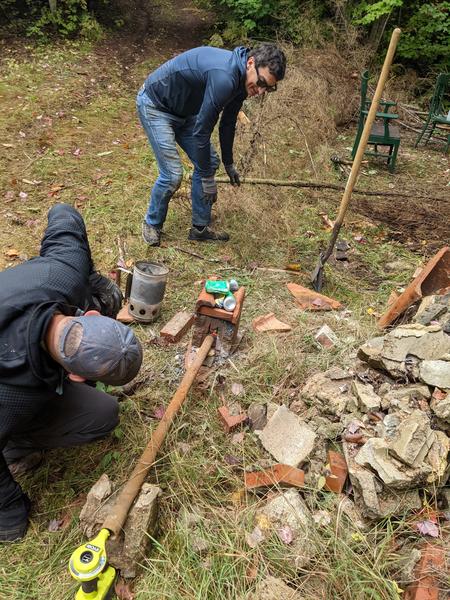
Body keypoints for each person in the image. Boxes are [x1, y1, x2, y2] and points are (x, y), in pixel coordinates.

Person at [0, 203, 143, 542]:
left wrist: (89, 278)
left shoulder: (63, 272)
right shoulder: (12, 398)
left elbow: (64, 212)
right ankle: (13, 446)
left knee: (102, 410)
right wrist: (9, 511)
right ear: (76, 376)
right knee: (99, 416)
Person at [137, 42, 286, 246]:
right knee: (172, 174)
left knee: (210, 160)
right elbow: (202, 131)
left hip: (185, 111)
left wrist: (228, 162)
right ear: (250, 63)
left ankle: (200, 228)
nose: (260, 91)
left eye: (268, 88)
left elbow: (228, 122)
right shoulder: (225, 77)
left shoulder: (243, 80)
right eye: (261, 82)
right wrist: (207, 179)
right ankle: (152, 223)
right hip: (156, 105)